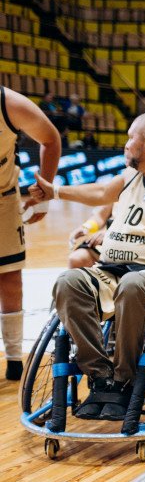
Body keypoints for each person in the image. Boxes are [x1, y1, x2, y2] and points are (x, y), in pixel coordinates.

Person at [29, 111, 145, 419]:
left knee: (133, 284)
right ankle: (101, 377)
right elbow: (99, 193)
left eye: (130, 138)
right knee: (68, 281)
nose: (125, 145)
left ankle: (125, 379)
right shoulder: (128, 178)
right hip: (111, 273)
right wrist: (54, 191)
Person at [0, 87, 61, 381]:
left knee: (10, 278)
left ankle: (14, 357)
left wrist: (43, 193)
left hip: (3, 200)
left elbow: (51, 139)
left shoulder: (9, 103)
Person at [67, 204, 113, 269]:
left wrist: (110, 233)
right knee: (76, 259)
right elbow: (101, 216)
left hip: (126, 247)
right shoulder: (114, 197)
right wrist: (86, 227)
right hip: (108, 246)